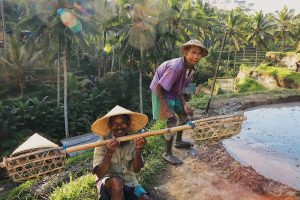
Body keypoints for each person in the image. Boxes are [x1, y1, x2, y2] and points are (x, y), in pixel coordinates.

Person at [150, 39, 208, 165]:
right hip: (161, 92)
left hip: (173, 91)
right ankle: (167, 153)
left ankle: (179, 141)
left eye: (199, 54)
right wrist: (166, 108)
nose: (196, 56)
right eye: (193, 52)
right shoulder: (176, 68)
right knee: (171, 120)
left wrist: (185, 105)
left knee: (183, 114)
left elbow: (179, 88)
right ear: (186, 52)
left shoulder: (191, 69)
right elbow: (159, 88)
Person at [91, 105, 152, 200]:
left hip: (130, 182)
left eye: (123, 123)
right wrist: (109, 152)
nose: (119, 127)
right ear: (110, 126)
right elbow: (100, 174)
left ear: (128, 124)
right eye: (115, 123)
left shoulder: (134, 140)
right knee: (117, 183)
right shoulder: (101, 143)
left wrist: (139, 150)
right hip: (108, 182)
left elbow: (137, 170)